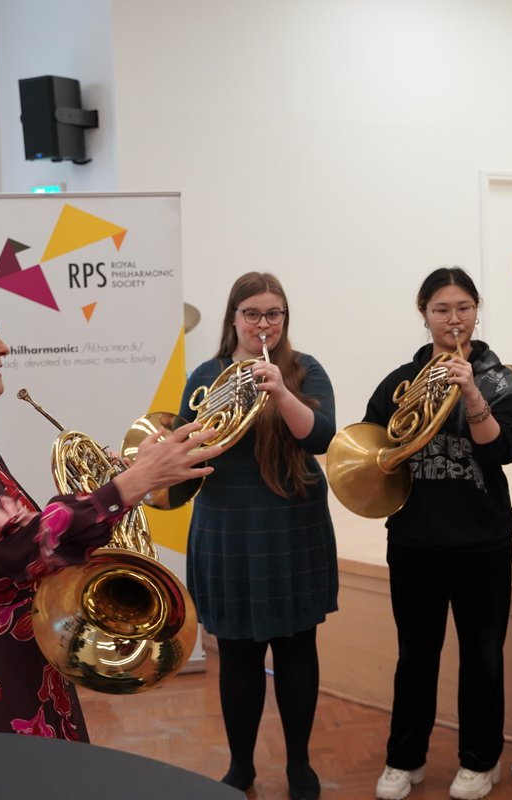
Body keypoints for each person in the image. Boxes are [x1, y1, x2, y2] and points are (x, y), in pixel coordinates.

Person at [0, 279, 216, 740]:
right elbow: (22, 546)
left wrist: (121, 478)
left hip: (10, 664)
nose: (2, 347)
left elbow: (25, 541)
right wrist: (132, 483)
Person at [367, 267, 512, 800]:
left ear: (477, 310)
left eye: (463, 307)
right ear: (424, 314)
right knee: (415, 652)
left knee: (483, 654)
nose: (453, 318)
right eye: (441, 309)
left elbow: (501, 450)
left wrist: (472, 395)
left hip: (481, 538)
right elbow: (374, 449)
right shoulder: (399, 381)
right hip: (414, 538)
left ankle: (480, 761)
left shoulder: (500, 378)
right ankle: (403, 759)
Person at [180, 272, 338, 800]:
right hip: (229, 529)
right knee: (239, 654)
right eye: (252, 313)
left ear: (284, 321)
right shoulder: (205, 375)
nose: (263, 323)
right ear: (233, 319)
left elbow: (320, 436)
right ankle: (241, 765)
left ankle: (299, 765)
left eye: (274, 314)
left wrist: (280, 391)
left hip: (293, 526)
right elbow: (186, 453)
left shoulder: (304, 370)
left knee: (297, 649)